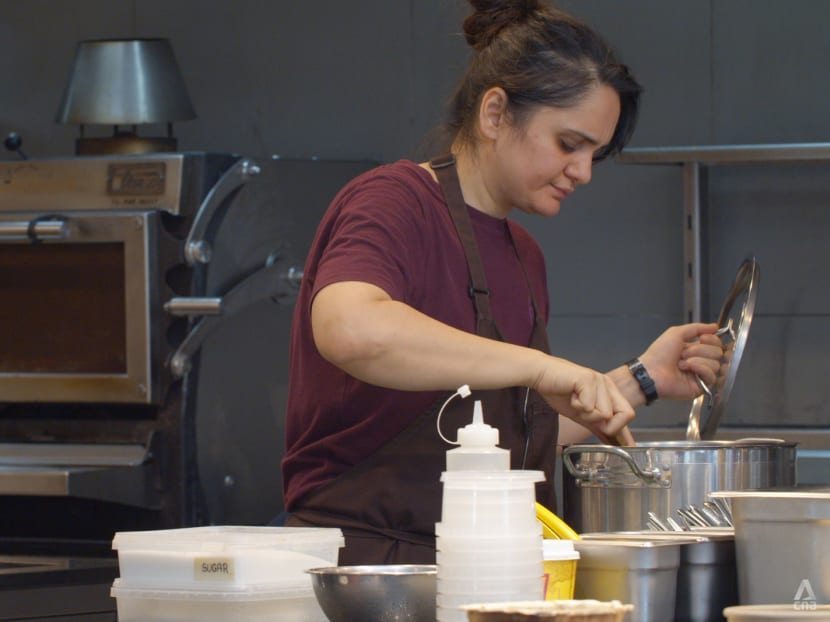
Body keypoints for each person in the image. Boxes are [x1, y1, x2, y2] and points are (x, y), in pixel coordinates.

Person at [280, 0, 723, 564]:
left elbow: (503, 438)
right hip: (369, 570)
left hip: (482, 568)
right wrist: (539, 366)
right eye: (569, 144)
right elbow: (350, 329)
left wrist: (641, 380)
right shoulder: (392, 202)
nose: (583, 173)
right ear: (495, 114)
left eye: (595, 154)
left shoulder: (524, 255)